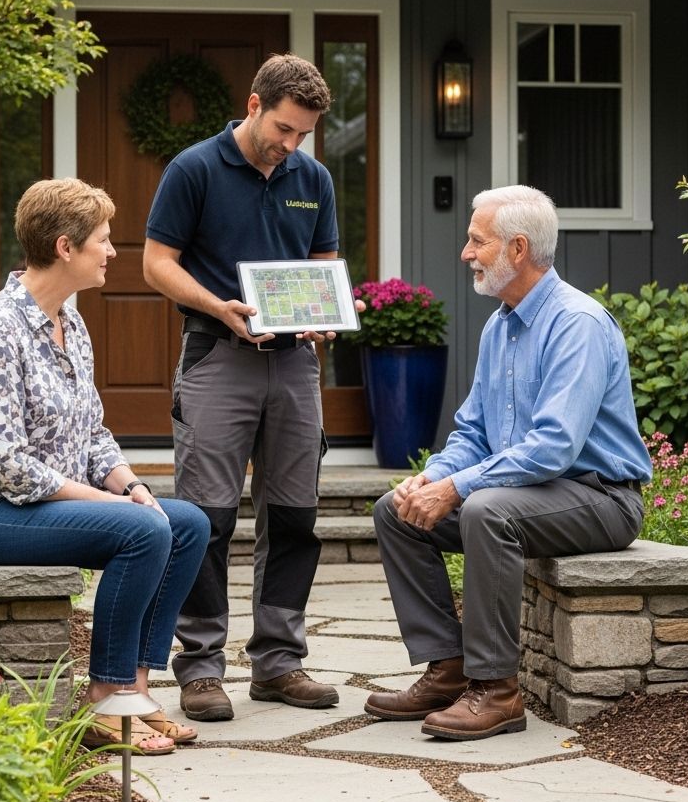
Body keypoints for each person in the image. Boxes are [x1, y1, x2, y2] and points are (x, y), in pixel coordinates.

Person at [0, 178, 209, 754]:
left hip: (40, 504)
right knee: (142, 528)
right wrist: (111, 503)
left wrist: (129, 483)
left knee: (186, 524)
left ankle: (133, 690)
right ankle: (103, 704)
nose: (112, 251)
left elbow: (93, 433)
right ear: (64, 247)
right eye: (103, 240)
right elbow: (7, 466)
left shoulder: (70, 323)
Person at [364, 185, 651, 741]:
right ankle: (447, 668)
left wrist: (459, 489)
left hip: (602, 497)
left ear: (517, 249)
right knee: (394, 512)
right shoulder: (501, 324)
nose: (466, 253)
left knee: (485, 511)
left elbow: (553, 448)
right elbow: (474, 429)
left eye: (477, 241)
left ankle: (497, 690)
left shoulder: (578, 324)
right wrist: (433, 479)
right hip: (534, 494)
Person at [143, 53, 341, 722]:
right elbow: (156, 263)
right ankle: (200, 668)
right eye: (284, 129)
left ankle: (279, 663)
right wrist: (218, 304)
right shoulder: (193, 169)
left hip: (294, 366)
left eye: (303, 135)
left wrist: (327, 311)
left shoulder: (312, 178)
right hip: (216, 356)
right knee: (207, 519)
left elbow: (324, 262)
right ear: (254, 105)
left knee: (294, 516)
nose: (291, 145)